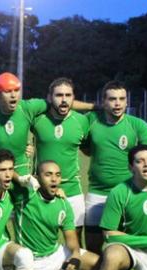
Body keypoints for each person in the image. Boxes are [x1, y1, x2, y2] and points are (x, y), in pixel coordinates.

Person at [83, 80, 147, 256]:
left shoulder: (137, 125)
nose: (118, 103)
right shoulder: (91, 121)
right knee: (92, 247)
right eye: (112, 99)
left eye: (122, 99)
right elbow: (83, 145)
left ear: (127, 101)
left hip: (127, 194)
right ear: (103, 101)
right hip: (97, 192)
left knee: (122, 248)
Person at [14, 160, 99, 270]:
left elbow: (72, 239)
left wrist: (74, 255)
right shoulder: (24, 196)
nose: (54, 179)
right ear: (37, 178)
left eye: (57, 175)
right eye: (48, 175)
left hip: (55, 254)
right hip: (33, 262)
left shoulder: (63, 204)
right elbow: (7, 173)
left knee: (97, 263)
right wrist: (21, 179)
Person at [32, 78, 89, 235]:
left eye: (68, 95)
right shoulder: (37, 119)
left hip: (72, 190)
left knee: (76, 241)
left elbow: (87, 149)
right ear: (49, 98)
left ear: (73, 97)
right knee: (39, 241)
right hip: (40, 191)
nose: (64, 100)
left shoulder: (82, 121)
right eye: (59, 95)